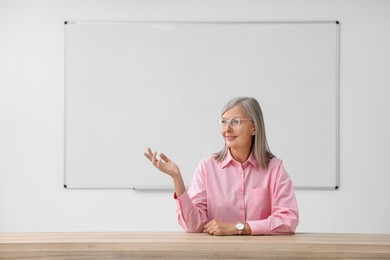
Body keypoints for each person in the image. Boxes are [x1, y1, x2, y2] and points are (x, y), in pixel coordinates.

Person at [144, 97, 299, 236]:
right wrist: (176, 178)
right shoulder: (207, 167)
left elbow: (288, 220)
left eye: (236, 121)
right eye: (224, 121)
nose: (227, 129)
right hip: (218, 254)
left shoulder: (275, 168)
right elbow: (193, 226)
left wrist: (238, 227)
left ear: (254, 128)